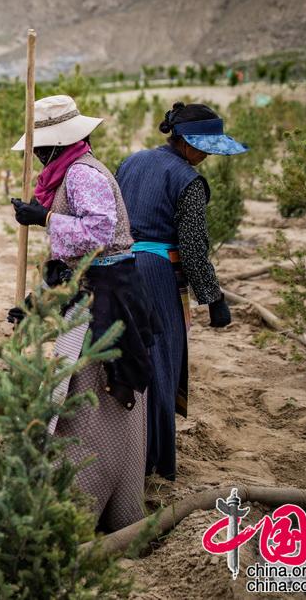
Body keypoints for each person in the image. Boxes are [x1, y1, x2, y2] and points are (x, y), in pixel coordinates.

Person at [9, 95, 157, 531]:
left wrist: (44, 220)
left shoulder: (82, 173)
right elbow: (67, 263)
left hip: (108, 299)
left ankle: (89, 501)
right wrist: (37, 306)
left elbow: (98, 232)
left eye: (40, 147)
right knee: (79, 392)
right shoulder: (67, 172)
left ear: (59, 144)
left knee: (93, 395)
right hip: (92, 289)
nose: (35, 154)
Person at [115, 102, 246, 480]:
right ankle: (153, 462)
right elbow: (192, 247)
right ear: (187, 142)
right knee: (159, 365)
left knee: (122, 359)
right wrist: (214, 298)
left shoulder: (131, 162)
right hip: (156, 275)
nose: (206, 155)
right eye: (204, 147)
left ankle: (124, 449)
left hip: (117, 270)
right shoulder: (188, 180)